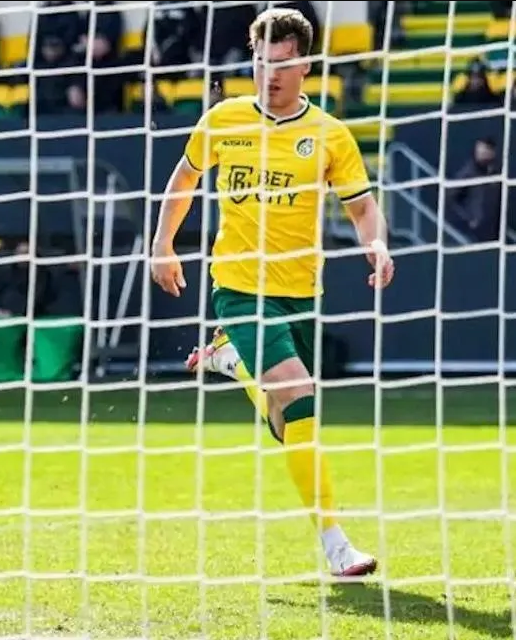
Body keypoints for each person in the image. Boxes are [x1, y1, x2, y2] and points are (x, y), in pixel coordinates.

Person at [151, 8, 394, 578]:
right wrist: (164, 243)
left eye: (281, 64)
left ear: (304, 64)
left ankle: (232, 362)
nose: (270, 74)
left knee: (293, 416)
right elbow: (183, 181)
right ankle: (337, 544)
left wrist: (377, 245)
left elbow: (361, 207)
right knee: (299, 388)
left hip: (300, 290)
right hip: (236, 284)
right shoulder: (224, 119)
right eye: (261, 62)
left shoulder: (329, 135)